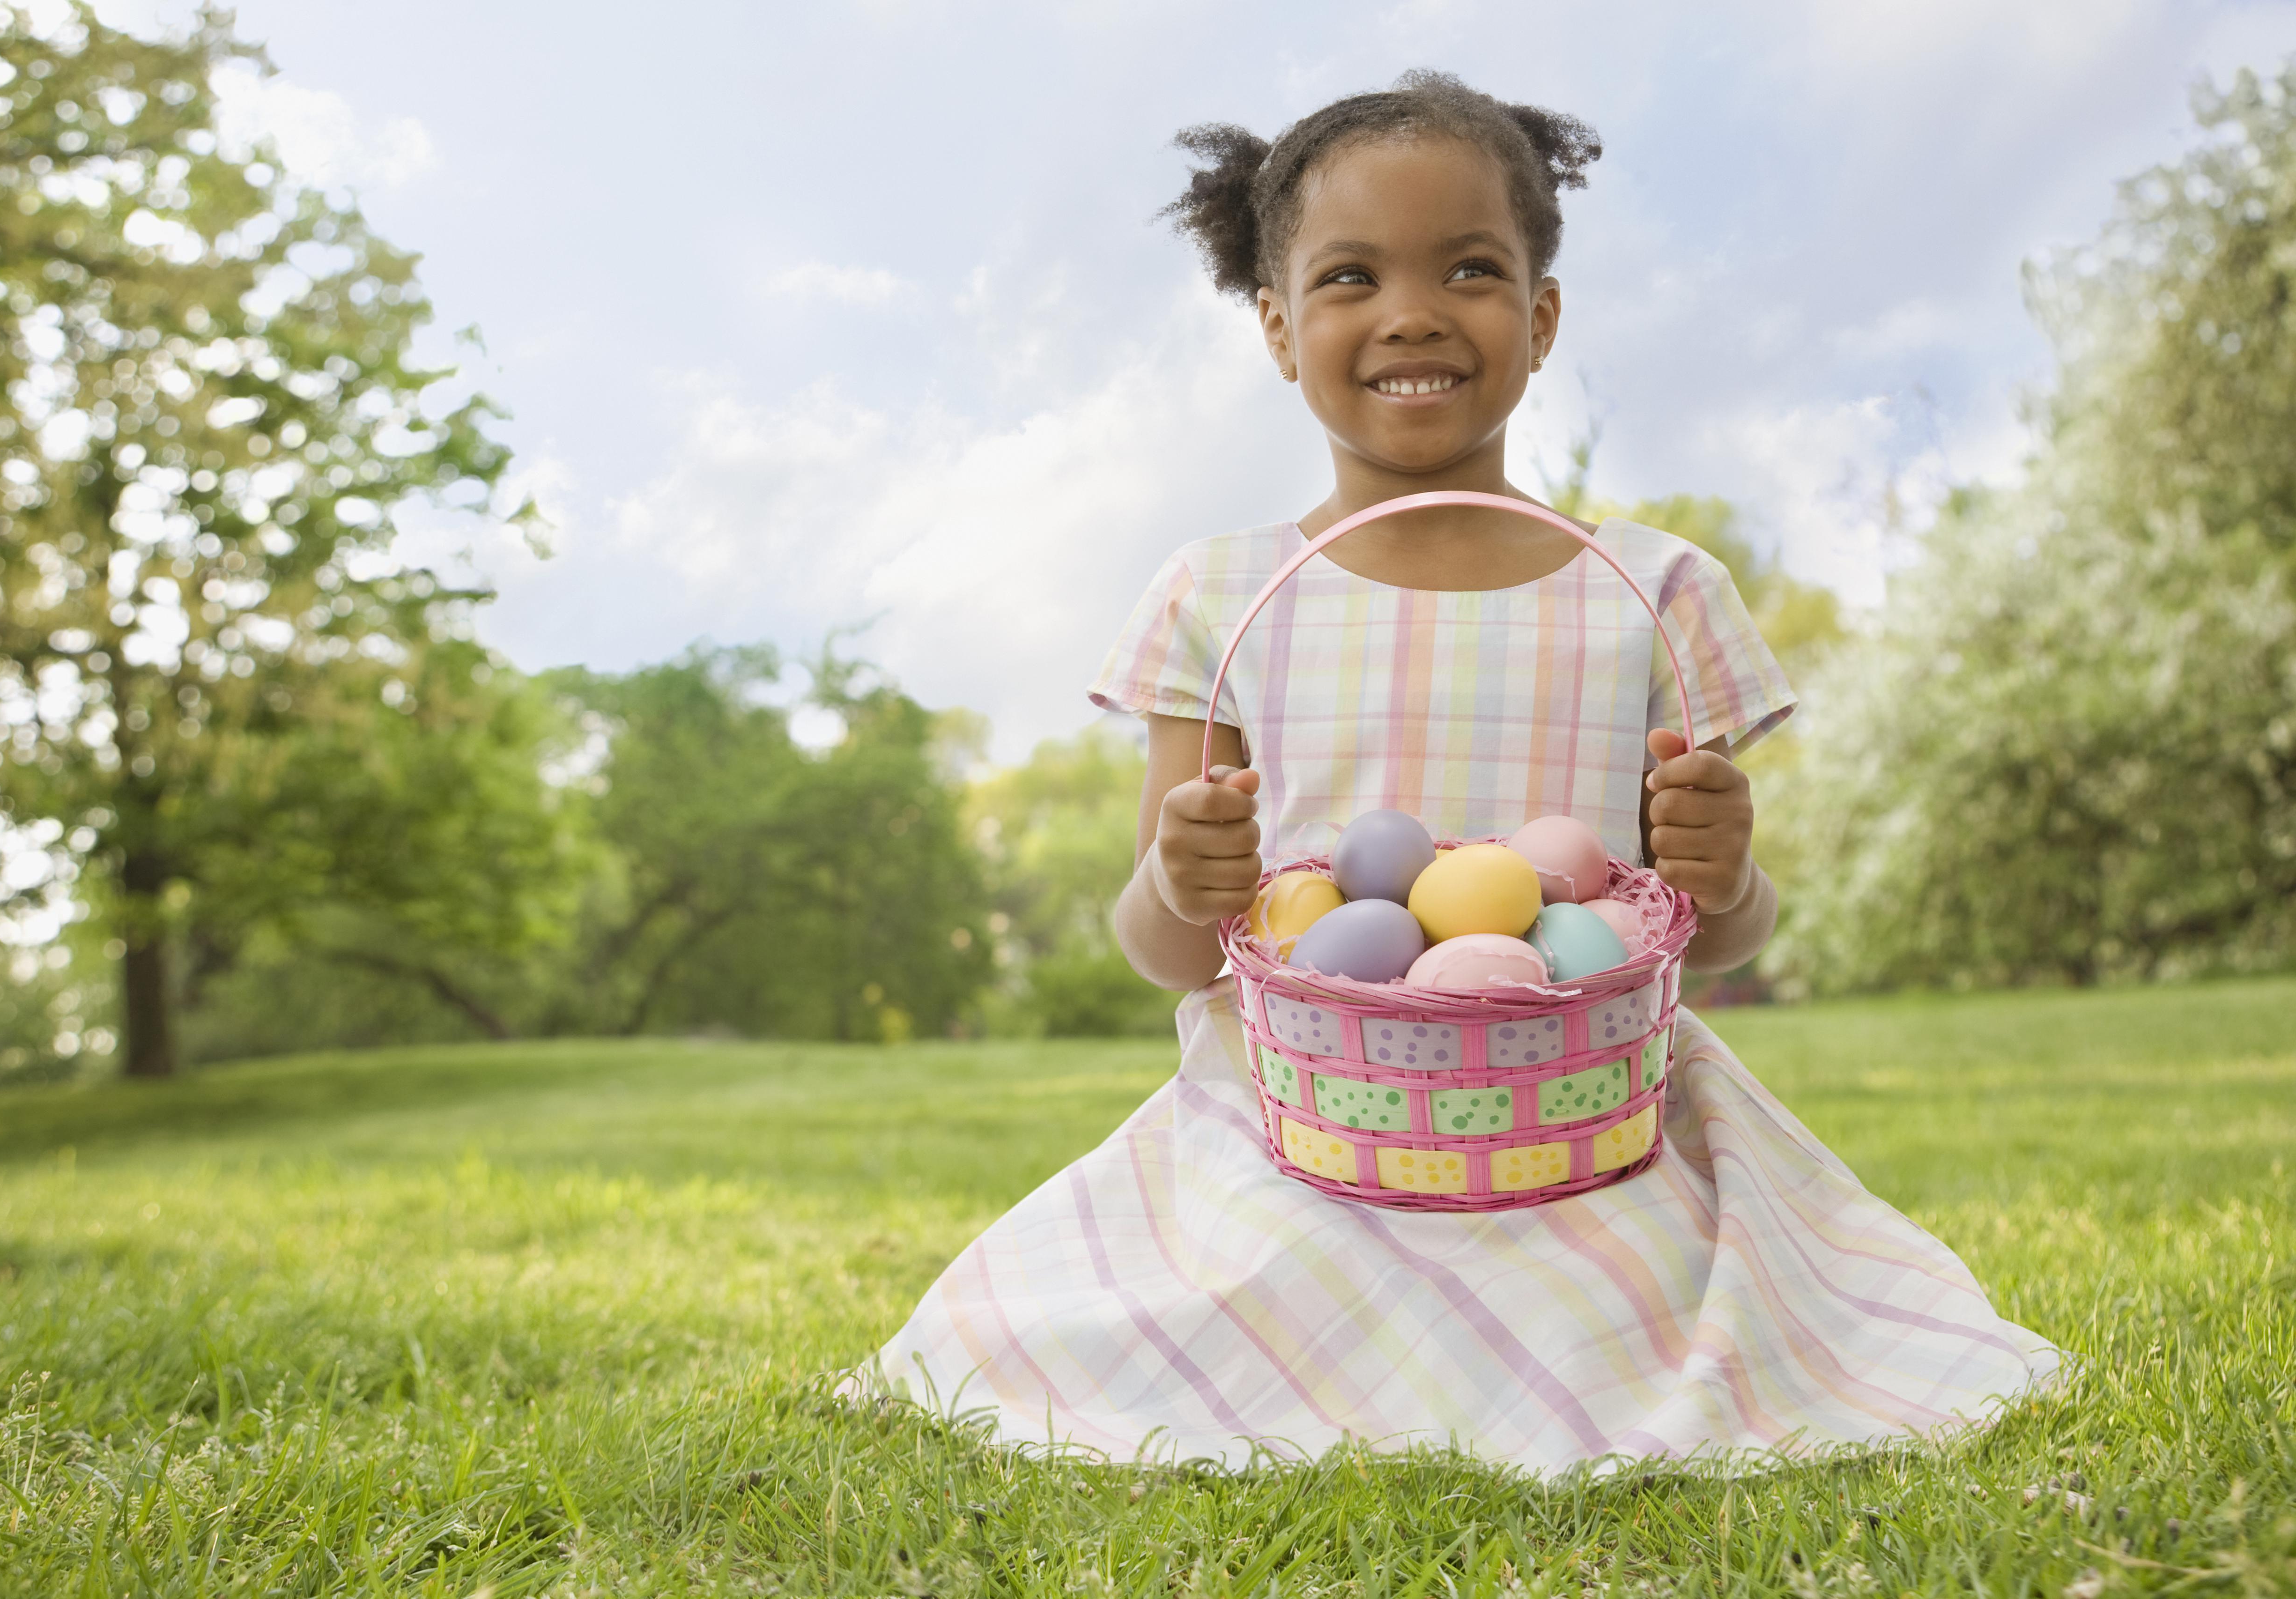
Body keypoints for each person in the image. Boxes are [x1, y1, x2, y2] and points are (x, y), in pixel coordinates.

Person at [866, 71, 2056, 1469]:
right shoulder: (1220, 593)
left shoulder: (1654, 591)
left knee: (1627, 1310)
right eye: (1351, 276)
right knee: (1248, 1296)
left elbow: (1715, 938)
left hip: (1589, 1118)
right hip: (1303, 1118)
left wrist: (1724, 874)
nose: (1413, 313)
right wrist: (1178, 879)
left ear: (1541, 319)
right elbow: (1170, 956)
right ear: (1277, 325)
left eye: (1472, 270)